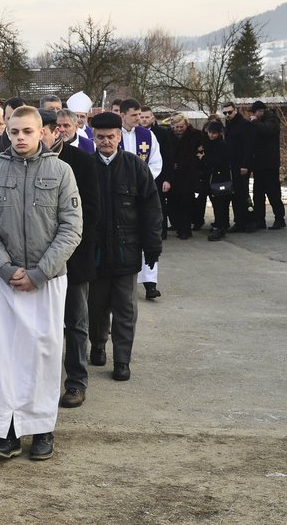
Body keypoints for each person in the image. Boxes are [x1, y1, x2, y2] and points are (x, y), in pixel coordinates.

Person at [0, 106, 82, 462]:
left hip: (47, 280)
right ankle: (8, 431)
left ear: (43, 133)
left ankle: (41, 429)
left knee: (45, 353)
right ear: (6, 132)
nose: (20, 137)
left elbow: (71, 228)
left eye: (27, 131)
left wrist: (40, 272)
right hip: (7, 280)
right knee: (8, 355)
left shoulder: (61, 171)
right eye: (14, 131)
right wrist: (5, 269)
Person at [87, 111, 163, 382]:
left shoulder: (135, 167)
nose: (106, 141)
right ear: (93, 138)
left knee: (125, 310)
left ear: (119, 137)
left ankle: (122, 360)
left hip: (125, 251)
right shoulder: (85, 168)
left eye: (111, 136)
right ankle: (97, 344)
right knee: (94, 307)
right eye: (100, 137)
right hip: (94, 254)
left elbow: (151, 209)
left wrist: (152, 246)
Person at [35, 110, 99, 409]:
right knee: (41, 325)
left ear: (53, 133)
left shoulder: (82, 163)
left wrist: (67, 252)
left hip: (73, 258)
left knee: (75, 323)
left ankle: (76, 382)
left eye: (41, 131)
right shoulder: (25, 164)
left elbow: (90, 215)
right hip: (35, 262)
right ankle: (38, 382)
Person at [118, 99, 163, 299]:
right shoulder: (114, 134)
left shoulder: (147, 135)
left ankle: (150, 282)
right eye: (134, 115)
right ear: (123, 115)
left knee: (147, 233)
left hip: (142, 192)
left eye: (139, 115)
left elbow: (155, 161)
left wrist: (143, 181)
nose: (138, 118)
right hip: (119, 193)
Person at [249, 101, 285, 229]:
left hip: (270, 163)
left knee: (273, 192)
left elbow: (267, 130)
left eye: (255, 113)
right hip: (258, 163)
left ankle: (280, 218)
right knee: (258, 193)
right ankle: (260, 219)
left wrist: (254, 122)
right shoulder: (257, 122)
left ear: (261, 111)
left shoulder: (272, 119)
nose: (253, 115)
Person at [167, 115, 204, 239]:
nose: (179, 129)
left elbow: (200, 151)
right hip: (174, 174)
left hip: (188, 173)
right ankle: (177, 225)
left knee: (186, 202)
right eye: (176, 127)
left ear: (186, 125)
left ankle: (185, 229)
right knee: (173, 202)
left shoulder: (195, 135)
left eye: (181, 127)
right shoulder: (169, 136)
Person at [221, 102, 256, 232]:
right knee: (235, 194)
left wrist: (245, 165)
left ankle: (248, 221)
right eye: (225, 113)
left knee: (243, 194)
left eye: (229, 112)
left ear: (235, 110)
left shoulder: (244, 125)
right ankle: (240, 221)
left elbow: (249, 147)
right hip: (232, 164)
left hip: (241, 164)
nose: (227, 115)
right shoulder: (229, 125)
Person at [139, 108, 174, 237]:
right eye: (141, 117)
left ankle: (161, 231)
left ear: (152, 118)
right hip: (139, 176)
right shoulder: (134, 133)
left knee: (158, 205)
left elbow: (168, 157)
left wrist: (168, 179)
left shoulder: (162, 133)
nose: (144, 120)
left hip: (158, 176)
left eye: (147, 117)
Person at [201, 121, 232, 241]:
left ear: (219, 133)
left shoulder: (221, 145)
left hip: (219, 178)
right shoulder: (210, 143)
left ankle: (220, 226)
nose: (211, 135)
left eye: (214, 133)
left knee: (220, 204)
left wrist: (204, 158)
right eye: (210, 132)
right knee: (218, 203)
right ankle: (221, 224)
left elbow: (217, 161)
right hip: (213, 178)